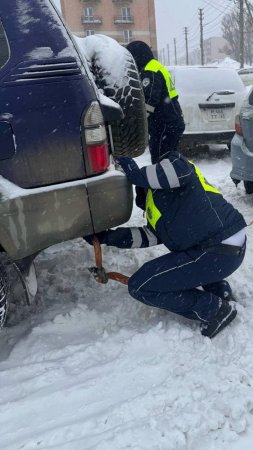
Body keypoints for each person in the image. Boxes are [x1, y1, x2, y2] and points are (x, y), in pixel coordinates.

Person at [85, 150, 247, 338]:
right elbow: (147, 236)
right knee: (179, 264)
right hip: (226, 252)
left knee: (141, 286)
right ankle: (219, 291)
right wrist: (107, 237)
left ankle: (214, 310)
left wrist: (137, 174)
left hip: (217, 248)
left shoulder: (174, 170)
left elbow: (179, 167)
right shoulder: (161, 210)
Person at [126, 40, 185, 163]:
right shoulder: (155, 66)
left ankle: (165, 182)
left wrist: (136, 122)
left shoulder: (150, 70)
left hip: (164, 126)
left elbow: (149, 101)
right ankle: (173, 181)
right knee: (170, 162)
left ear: (137, 56)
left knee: (161, 162)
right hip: (171, 123)